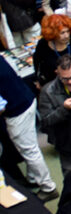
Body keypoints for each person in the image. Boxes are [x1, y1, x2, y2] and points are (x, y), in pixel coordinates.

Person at [0, 57, 58, 201]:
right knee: (30, 145)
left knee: (28, 149)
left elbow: (1, 107)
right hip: (26, 99)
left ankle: (48, 187)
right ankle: (33, 178)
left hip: (17, 111)